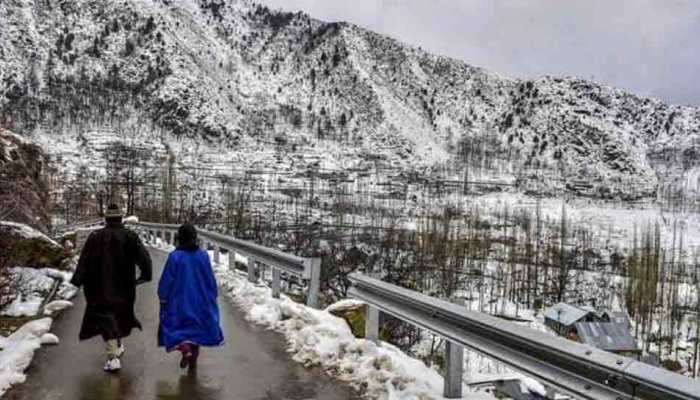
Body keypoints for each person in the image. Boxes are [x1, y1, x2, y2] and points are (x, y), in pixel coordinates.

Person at [71, 204, 152, 372]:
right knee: (120, 315)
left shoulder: (95, 237)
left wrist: (77, 281)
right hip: (125, 286)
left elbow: (84, 261)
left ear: (106, 219)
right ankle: (116, 348)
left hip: (99, 286)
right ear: (120, 219)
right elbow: (144, 258)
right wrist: (145, 275)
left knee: (106, 318)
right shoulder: (130, 236)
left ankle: (113, 356)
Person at [158, 224, 224, 369]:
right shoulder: (203, 256)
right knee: (196, 333)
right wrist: (212, 294)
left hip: (179, 302)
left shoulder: (175, 257)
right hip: (200, 301)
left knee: (179, 330)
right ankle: (193, 359)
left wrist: (163, 296)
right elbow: (210, 278)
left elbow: (167, 280)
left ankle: (185, 350)